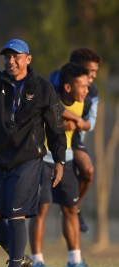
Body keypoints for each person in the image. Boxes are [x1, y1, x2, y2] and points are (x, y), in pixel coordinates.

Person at [0, 39, 66, 267]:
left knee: (15, 214)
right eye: (7, 57)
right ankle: (19, 256)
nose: (10, 61)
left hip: (27, 160)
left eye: (16, 56)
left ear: (28, 59)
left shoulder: (43, 88)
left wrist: (59, 160)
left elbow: (56, 128)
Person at [29, 63, 93, 267]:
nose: (86, 90)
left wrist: (77, 123)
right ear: (67, 87)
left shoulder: (84, 102)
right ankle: (37, 262)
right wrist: (72, 121)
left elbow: (85, 125)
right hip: (43, 160)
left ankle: (74, 262)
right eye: (82, 86)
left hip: (66, 161)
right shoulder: (52, 98)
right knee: (42, 208)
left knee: (71, 209)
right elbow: (53, 114)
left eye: (87, 86)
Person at [49, 48, 102, 233]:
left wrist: (78, 124)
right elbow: (51, 106)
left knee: (88, 170)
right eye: (90, 71)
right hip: (49, 136)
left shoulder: (92, 91)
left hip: (75, 137)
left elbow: (91, 123)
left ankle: (75, 206)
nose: (93, 76)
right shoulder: (56, 79)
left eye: (96, 72)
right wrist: (74, 119)